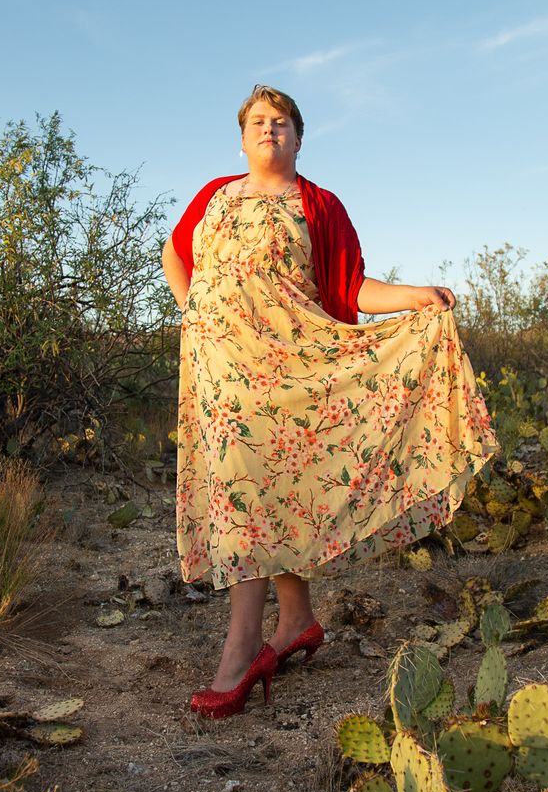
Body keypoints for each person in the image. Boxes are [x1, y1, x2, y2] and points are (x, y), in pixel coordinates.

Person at [162, 85, 497, 719]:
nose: (270, 131)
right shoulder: (213, 195)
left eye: (282, 123)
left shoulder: (318, 205)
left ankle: (242, 650)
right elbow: (174, 255)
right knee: (259, 489)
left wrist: (417, 295)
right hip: (222, 371)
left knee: (260, 494)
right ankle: (296, 622)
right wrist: (193, 317)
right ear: (241, 138)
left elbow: (351, 291)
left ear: (298, 137)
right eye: (259, 122)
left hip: (291, 368)